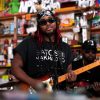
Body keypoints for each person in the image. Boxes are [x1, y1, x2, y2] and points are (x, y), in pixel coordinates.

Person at [11, 10, 77, 93]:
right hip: (33, 93)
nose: (48, 24)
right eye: (43, 22)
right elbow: (14, 68)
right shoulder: (28, 43)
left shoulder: (65, 47)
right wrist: (32, 82)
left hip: (59, 95)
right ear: (39, 26)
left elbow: (68, 73)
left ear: (56, 22)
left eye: (51, 20)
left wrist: (71, 79)